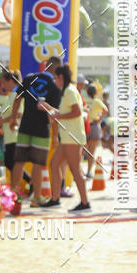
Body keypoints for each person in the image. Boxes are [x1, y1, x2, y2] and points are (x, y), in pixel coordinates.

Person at [39, 64, 91, 213]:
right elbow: (64, 113)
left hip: (72, 138)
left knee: (75, 171)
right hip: (68, 138)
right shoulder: (67, 92)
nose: (55, 81)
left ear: (61, 78)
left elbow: (77, 112)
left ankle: (85, 203)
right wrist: (49, 108)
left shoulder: (69, 92)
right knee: (54, 164)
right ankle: (55, 199)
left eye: (55, 78)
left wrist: (57, 116)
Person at [10, 56, 62, 205]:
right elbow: (54, 115)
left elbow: (17, 98)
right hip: (42, 129)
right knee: (39, 164)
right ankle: (37, 197)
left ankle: (12, 196)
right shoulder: (54, 87)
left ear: (46, 66)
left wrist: (14, 118)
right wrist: (55, 136)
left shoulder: (29, 78)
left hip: (25, 126)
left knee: (19, 161)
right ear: (56, 69)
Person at [0, 69, 23, 185]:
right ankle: (15, 187)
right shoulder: (13, 94)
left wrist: (2, 121)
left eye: (4, 82)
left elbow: (19, 114)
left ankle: (29, 184)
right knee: (10, 163)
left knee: (13, 163)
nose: (3, 85)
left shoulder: (17, 94)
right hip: (10, 135)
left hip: (15, 134)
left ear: (11, 81)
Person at [85, 84, 107, 179]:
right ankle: (88, 172)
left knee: (81, 151)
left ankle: (78, 172)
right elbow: (105, 110)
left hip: (84, 126)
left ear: (87, 92)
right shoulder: (97, 101)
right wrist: (99, 119)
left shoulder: (84, 100)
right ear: (96, 93)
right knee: (91, 152)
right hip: (94, 126)